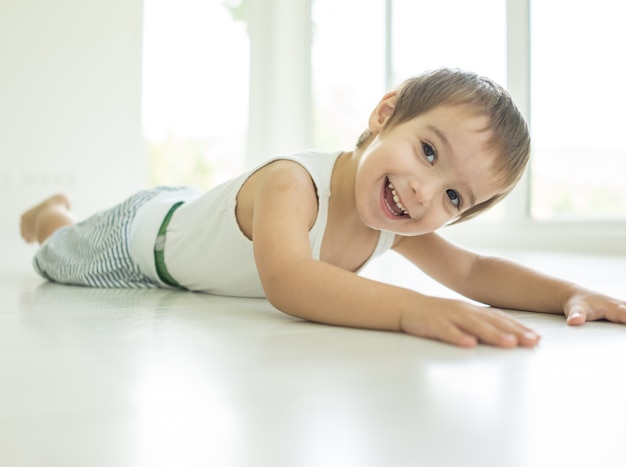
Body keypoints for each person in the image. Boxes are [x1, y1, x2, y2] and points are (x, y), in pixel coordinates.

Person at [20, 68, 626, 349]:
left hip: (191, 217)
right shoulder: (293, 184)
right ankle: (52, 214)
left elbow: (470, 274)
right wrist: (412, 309)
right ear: (384, 114)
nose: (423, 191)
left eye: (453, 197)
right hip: (141, 239)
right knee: (56, 255)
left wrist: (568, 292)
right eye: (428, 151)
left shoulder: (390, 221)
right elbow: (289, 281)